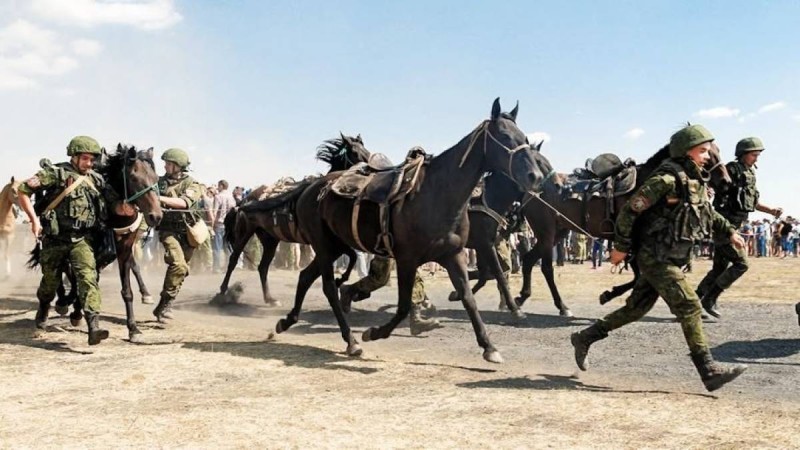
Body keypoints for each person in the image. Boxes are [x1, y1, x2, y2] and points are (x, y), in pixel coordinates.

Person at [570, 124, 748, 392]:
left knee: (636, 309)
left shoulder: (696, 181)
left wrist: (731, 232)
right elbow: (630, 211)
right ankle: (708, 370)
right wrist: (620, 247)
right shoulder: (665, 179)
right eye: (702, 151)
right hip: (655, 256)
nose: (707, 156)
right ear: (685, 152)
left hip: (671, 256)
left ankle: (584, 337)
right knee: (690, 306)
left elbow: (708, 214)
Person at [16, 136, 114, 345]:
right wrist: (34, 221)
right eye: (86, 159)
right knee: (50, 282)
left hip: (82, 240)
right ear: (74, 156)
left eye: (92, 160)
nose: (89, 164)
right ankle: (44, 307)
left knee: (88, 278)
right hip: (55, 239)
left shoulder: (96, 180)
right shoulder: (55, 173)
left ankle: (93, 326)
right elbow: (23, 190)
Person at [695, 137, 783, 318]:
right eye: (753, 155)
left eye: (758, 155)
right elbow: (710, 182)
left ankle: (692, 303)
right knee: (741, 264)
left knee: (719, 268)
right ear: (743, 154)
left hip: (735, 224)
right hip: (725, 226)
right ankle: (709, 298)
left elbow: (752, 201)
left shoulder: (749, 173)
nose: (756, 159)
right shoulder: (730, 170)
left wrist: (771, 210)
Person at [152, 148, 204, 322]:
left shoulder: (192, 184)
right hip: (168, 231)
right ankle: (166, 304)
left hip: (188, 232)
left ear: (178, 166)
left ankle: (165, 303)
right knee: (178, 265)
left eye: (168, 163)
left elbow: (183, 203)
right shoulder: (158, 183)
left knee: (182, 270)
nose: (165, 166)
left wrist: (158, 199)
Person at [339, 256, 442, 335]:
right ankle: (349, 290)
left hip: (398, 239)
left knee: (409, 271)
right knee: (380, 279)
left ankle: (416, 319)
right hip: (385, 240)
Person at [212, 179, 236, 272]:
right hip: (229, 224)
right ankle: (229, 266)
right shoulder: (231, 197)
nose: (218, 188)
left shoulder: (218, 197)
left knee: (217, 247)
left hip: (219, 223)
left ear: (221, 186)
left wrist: (212, 225)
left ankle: (217, 268)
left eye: (219, 186)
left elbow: (214, 211)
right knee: (227, 247)